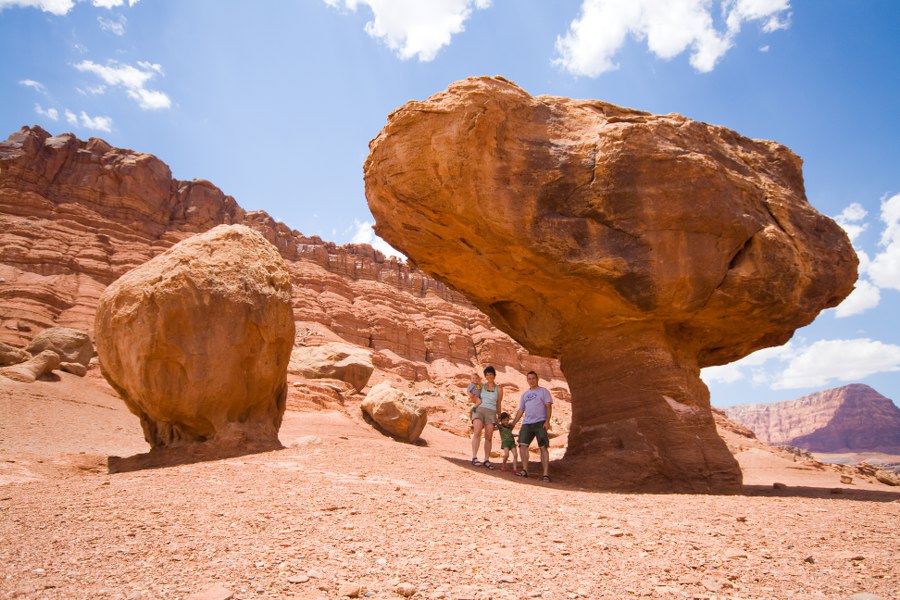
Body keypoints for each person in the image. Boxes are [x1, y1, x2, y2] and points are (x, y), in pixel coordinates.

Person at [511, 370, 553, 482]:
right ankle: (525, 470)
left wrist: (547, 421)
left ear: (537, 379)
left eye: (533, 378)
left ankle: (545, 474)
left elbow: (548, 406)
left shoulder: (544, 391)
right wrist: (514, 423)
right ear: (527, 380)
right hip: (527, 423)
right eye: (529, 379)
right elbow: (521, 410)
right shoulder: (525, 394)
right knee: (522, 445)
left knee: (543, 447)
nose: (531, 380)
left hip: (540, 422)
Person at [470, 365, 503, 469]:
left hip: (491, 412)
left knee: (488, 437)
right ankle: (474, 457)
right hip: (479, 410)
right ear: (485, 376)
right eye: (487, 375)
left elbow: (498, 403)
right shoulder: (481, 386)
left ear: (494, 375)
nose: (489, 376)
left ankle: (486, 460)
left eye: (491, 374)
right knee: (477, 432)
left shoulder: (499, 388)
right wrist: (473, 402)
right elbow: (473, 395)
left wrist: (499, 416)